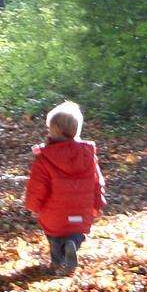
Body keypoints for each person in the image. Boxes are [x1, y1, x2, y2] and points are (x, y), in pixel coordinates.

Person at [23, 100, 106, 276]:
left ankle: (56, 262)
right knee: (76, 233)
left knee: (54, 235)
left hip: (54, 211)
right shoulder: (88, 155)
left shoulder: (45, 157)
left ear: (53, 131)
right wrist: (98, 203)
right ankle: (73, 245)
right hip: (81, 210)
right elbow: (96, 181)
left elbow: (38, 185)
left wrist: (33, 205)